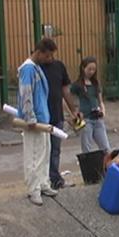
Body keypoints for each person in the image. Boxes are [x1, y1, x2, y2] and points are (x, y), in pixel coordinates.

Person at [17, 38, 59, 206]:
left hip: (43, 118)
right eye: (48, 56)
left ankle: (43, 183)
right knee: (33, 156)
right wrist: (30, 116)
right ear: (40, 52)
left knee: (44, 153)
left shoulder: (36, 68)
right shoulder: (28, 69)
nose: (49, 59)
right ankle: (33, 189)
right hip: (34, 120)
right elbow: (26, 93)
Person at [42, 55, 81, 189]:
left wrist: (73, 110)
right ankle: (43, 180)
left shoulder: (59, 66)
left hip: (57, 116)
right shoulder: (36, 68)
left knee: (55, 150)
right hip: (41, 118)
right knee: (43, 151)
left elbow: (65, 91)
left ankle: (55, 179)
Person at [71, 56, 111, 154]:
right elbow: (72, 100)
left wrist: (103, 111)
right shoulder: (77, 85)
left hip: (97, 118)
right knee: (87, 149)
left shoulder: (95, 83)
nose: (91, 72)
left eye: (94, 69)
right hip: (85, 119)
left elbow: (100, 101)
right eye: (89, 69)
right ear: (83, 68)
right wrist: (76, 113)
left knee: (106, 148)